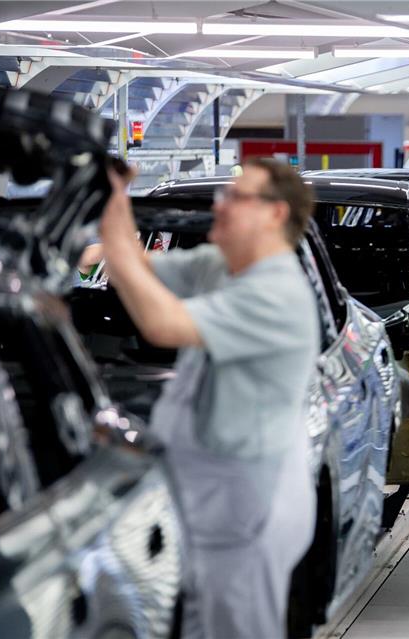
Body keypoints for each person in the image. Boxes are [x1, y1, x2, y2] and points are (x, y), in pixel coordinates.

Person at [99, 158, 320, 638]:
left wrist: (114, 224)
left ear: (274, 214)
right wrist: (109, 215)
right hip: (214, 501)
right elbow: (135, 266)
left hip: (249, 506)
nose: (220, 206)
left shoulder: (277, 292)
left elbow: (160, 323)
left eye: (236, 197)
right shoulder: (223, 268)